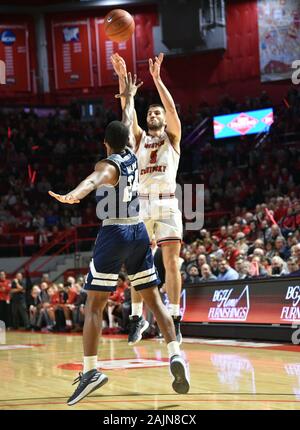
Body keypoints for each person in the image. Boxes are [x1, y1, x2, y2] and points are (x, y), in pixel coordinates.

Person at [49, 73, 189, 406]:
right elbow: (128, 123)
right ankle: (175, 352)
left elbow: (95, 178)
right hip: (139, 229)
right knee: (153, 297)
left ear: (104, 142)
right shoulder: (132, 152)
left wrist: (74, 194)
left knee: (94, 305)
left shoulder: (114, 159)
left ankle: (91, 370)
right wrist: (127, 95)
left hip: (117, 230)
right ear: (128, 138)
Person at [111, 52, 183, 345]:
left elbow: (172, 108)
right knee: (136, 263)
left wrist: (156, 78)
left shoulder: (173, 138)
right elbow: (128, 114)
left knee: (172, 262)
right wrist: (121, 78)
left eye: (157, 113)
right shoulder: (139, 139)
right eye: (150, 113)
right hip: (141, 203)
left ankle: (175, 319)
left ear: (164, 119)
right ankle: (137, 318)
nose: (153, 115)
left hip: (166, 203)